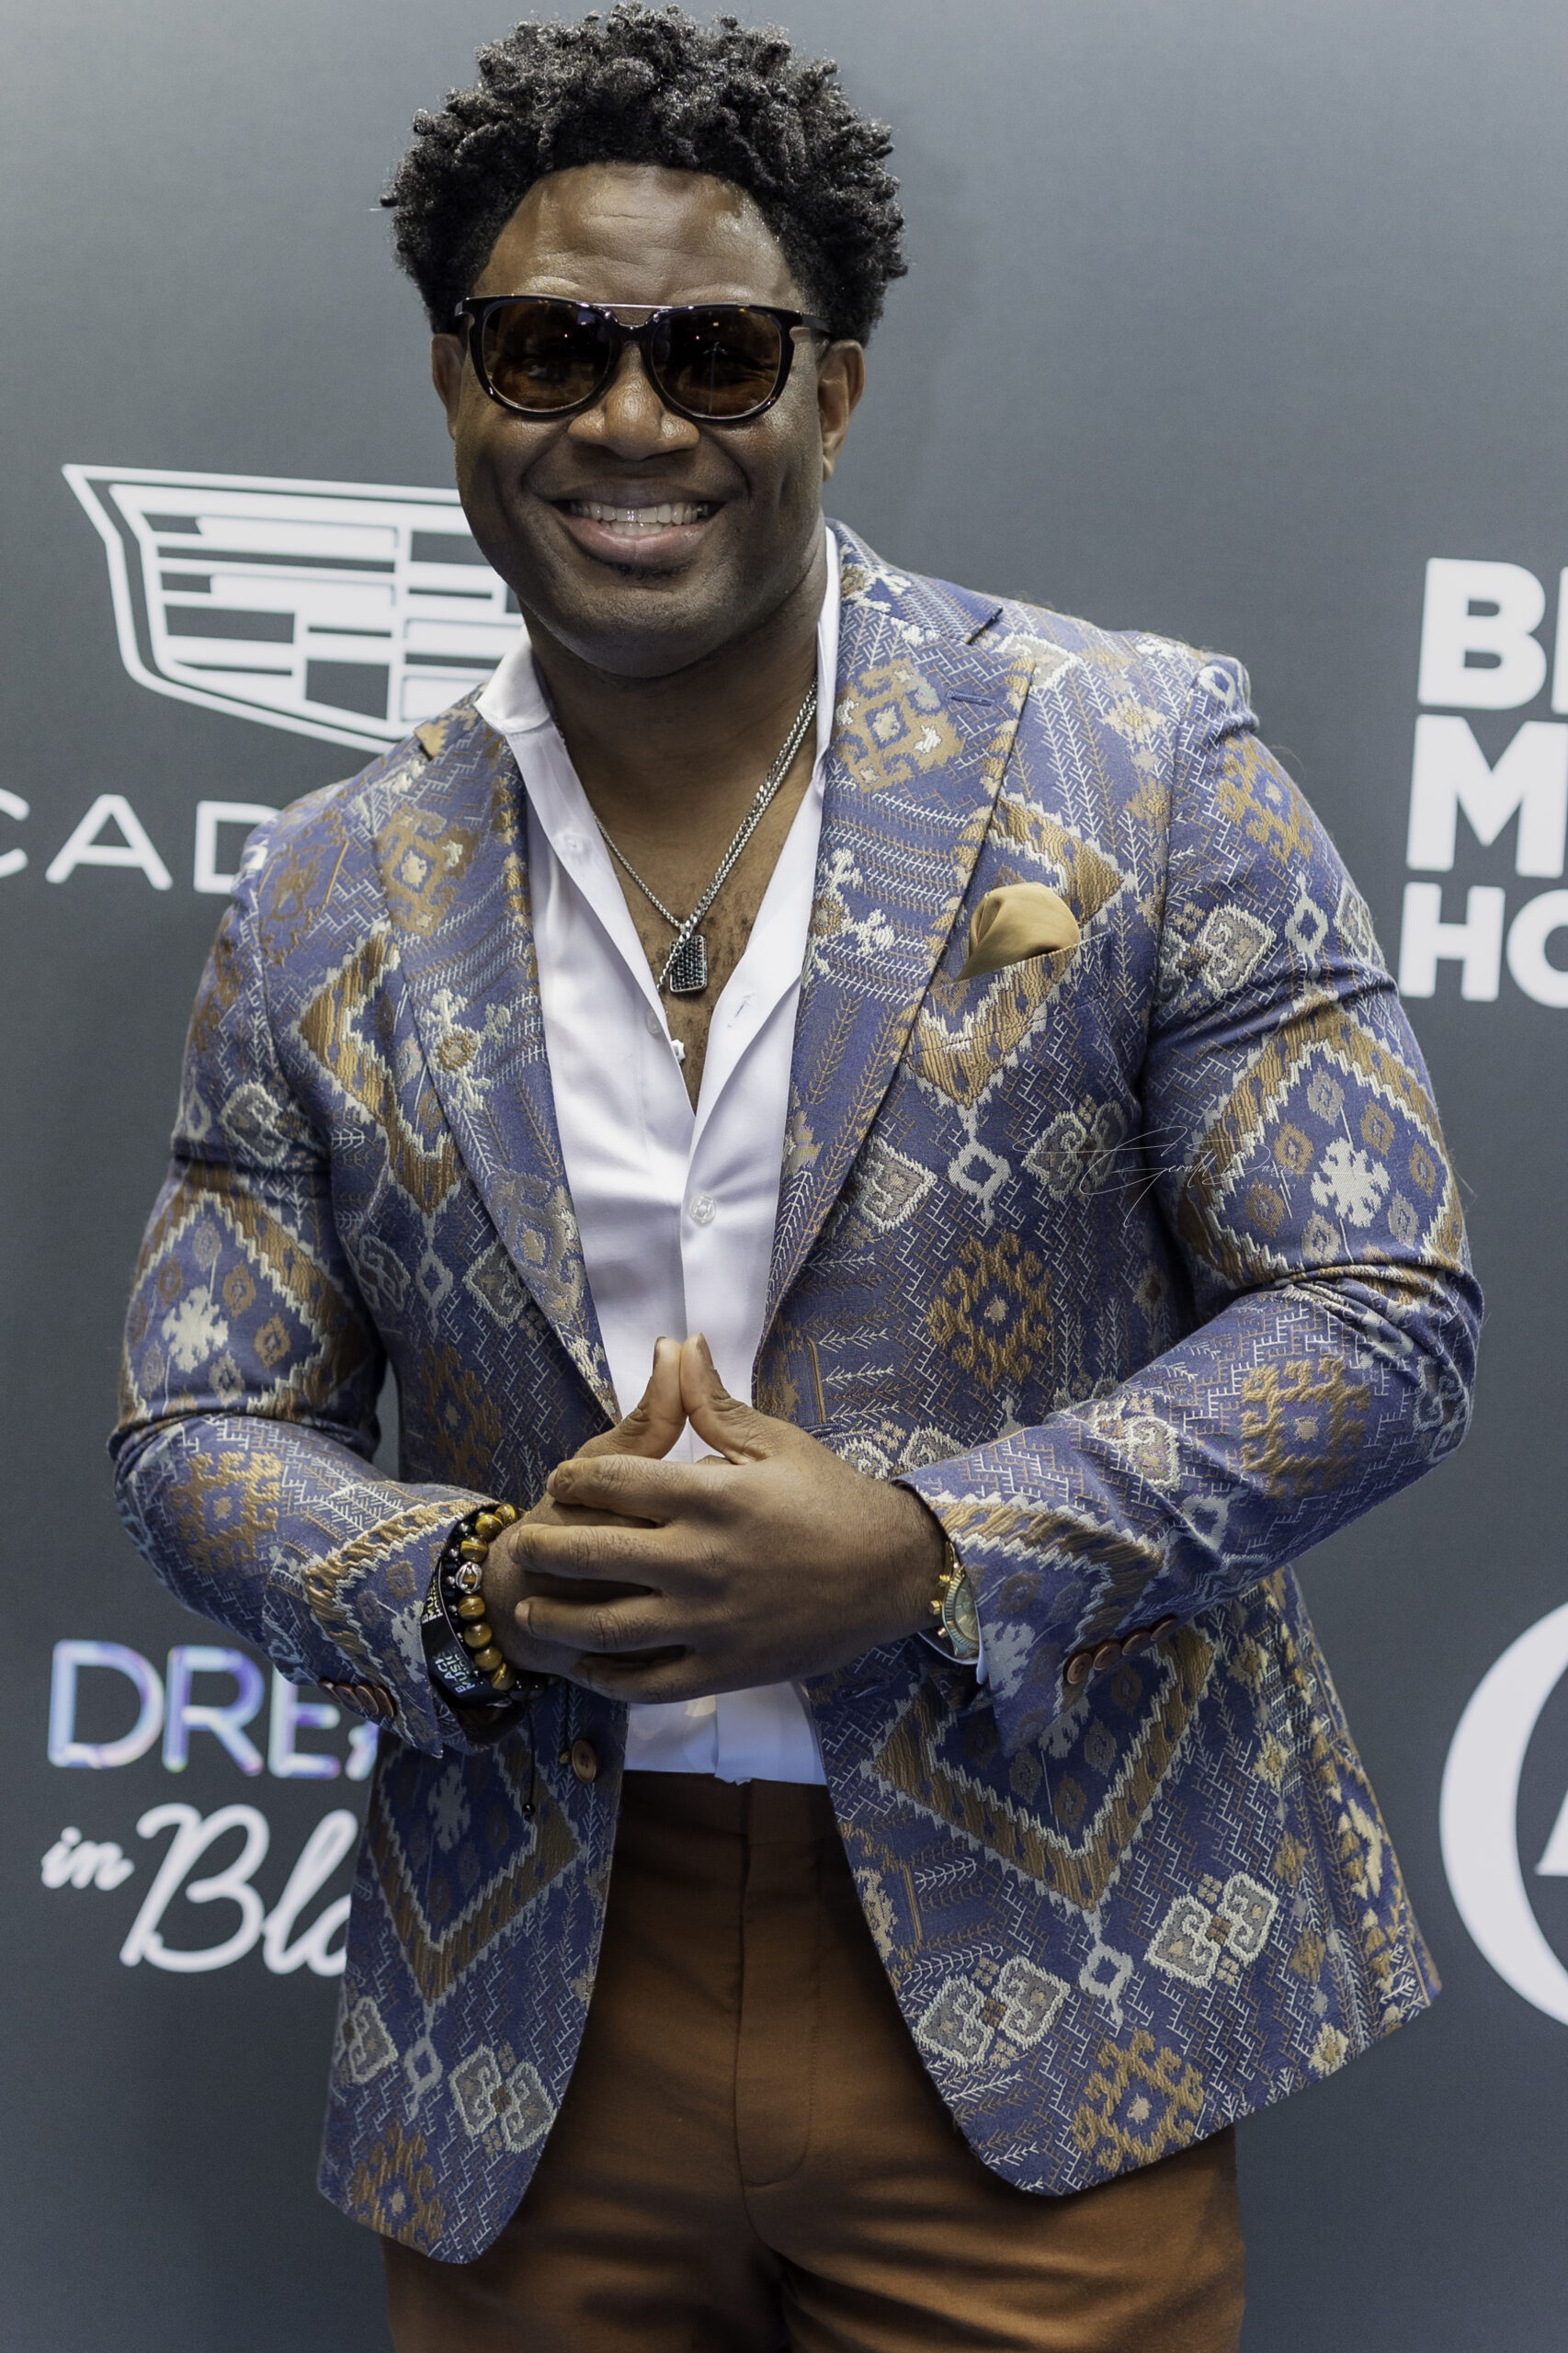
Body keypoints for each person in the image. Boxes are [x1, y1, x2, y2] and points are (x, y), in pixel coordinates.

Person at [110, 9, 1481, 2348]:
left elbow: (1377, 1307)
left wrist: (929, 1546)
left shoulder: (1139, 758)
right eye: (551, 348)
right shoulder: (325, 883)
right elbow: (195, 1421)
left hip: (1047, 1966)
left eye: (716, 354)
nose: (630, 421)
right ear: (456, 382)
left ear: (831, 392)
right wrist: (469, 1585)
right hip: (532, 1996)